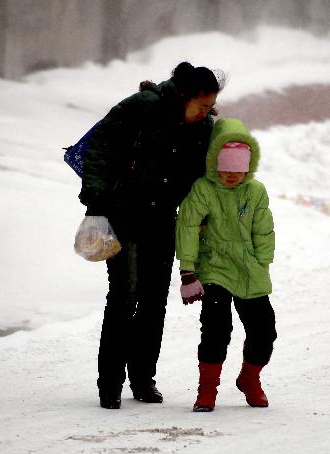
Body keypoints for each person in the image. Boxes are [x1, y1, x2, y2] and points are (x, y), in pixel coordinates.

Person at [79, 62, 224, 409]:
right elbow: (99, 145)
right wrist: (95, 198)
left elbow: (200, 173)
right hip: (122, 212)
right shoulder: (145, 105)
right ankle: (110, 384)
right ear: (186, 96)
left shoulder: (202, 127)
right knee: (124, 295)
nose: (207, 112)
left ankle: (143, 379)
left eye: (210, 107)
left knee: (155, 299)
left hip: (162, 219)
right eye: (202, 105)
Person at [175, 117, 277, 412]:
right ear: (214, 163)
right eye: (225, 168)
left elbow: (264, 230)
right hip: (214, 266)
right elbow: (188, 226)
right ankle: (207, 389)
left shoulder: (255, 191)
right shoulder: (203, 189)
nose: (231, 176)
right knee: (217, 328)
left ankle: (250, 379)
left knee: (264, 330)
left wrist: (262, 263)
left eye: (238, 169)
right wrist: (188, 269)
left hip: (248, 268)